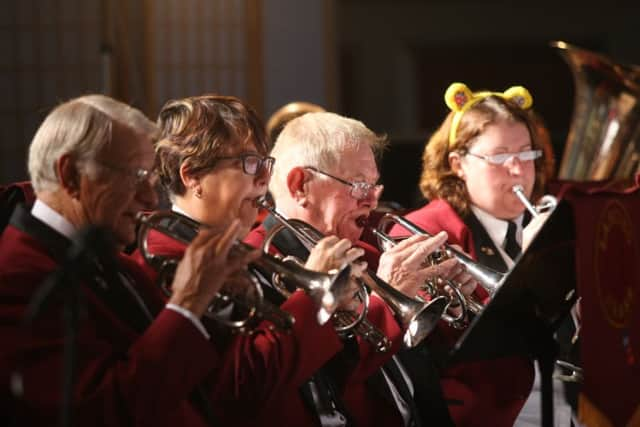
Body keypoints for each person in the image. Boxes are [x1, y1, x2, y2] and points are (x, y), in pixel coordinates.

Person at [0, 94, 258, 426]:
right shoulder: (15, 277)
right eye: (135, 177)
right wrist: (187, 303)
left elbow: (196, 385)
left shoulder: (114, 262)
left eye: (151, 180)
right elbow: (104, 410)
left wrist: (218, 304)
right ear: (71, 175)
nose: (150, 198)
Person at [138, 94, 387, 427]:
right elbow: (237, 390)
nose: (263, 180)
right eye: (249, 164)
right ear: (193, 175)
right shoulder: (165, 256)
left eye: (264, 165)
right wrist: (315, 299)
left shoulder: (233, 249)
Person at [246, 111, 476, 427]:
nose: (371, 200)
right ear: (300, 185)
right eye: (357, 185)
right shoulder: (258, 265)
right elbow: (327, 380)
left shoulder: (368, 255)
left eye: (373, 185)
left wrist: (442, 308)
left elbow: (419, 367)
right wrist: (388, 301)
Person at [390, 82, 554, 427]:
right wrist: (534, 269)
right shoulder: (424, 231)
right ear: (458, 164)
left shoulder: (552, 223)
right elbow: (421, 349)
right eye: (499, 156)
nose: (517, 169)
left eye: (527, 154)